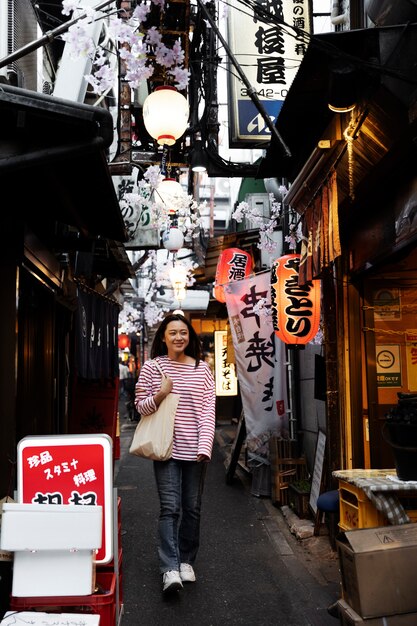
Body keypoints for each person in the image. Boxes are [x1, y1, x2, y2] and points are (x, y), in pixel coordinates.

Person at [135, 313, 216, 594]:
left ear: (189, 337)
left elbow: (207, 413)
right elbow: (140, 407)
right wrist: (160, 394)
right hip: (165, 449)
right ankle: (170, 568)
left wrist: (205, 447)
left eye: (183, 332)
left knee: (192, 509)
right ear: (164, 338)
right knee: (170, 509)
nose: (179, 337)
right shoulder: (153, 368)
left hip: (195, 451)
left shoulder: (202, 370)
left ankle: (186, 560)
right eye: (173, 333)